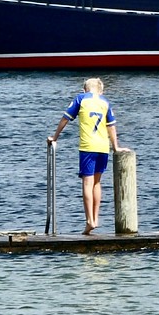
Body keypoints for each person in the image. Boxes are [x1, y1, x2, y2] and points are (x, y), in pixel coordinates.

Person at [49, 78, 122, 234]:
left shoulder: (80, 98)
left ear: (84, 89)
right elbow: (111, 126)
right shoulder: (105, 102)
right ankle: (95, 218)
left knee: (87, 183)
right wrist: (116, 147)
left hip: (88, 147)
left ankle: (89, 220)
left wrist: (54, 137)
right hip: (103, 147)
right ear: (100, 91)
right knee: (97, 183)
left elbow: (65, 119)